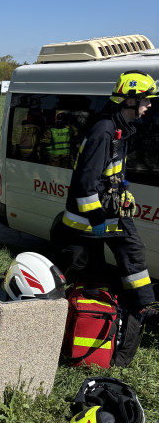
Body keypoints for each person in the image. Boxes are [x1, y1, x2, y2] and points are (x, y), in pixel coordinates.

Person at [56, 71, 158, 314]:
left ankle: (143, 307)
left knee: (133, 253)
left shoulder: (118, 128)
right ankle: (45, 303)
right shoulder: (104, 131)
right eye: (146, 100)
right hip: (91, 218)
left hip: (112, 212)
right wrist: (96, 216)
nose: (150, 105)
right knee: (70, 266)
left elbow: (110, 173)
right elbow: (85, 180)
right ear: (130, 101)